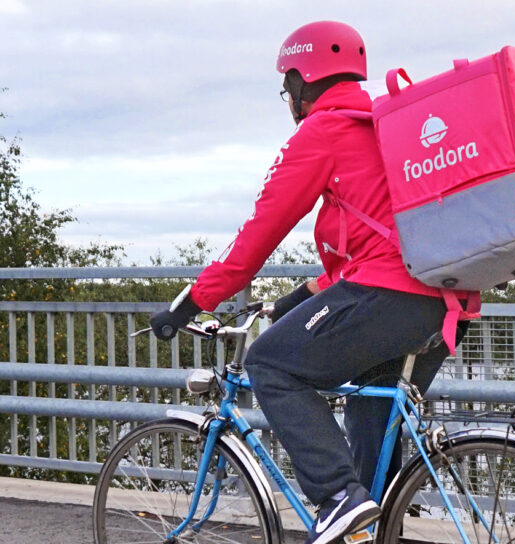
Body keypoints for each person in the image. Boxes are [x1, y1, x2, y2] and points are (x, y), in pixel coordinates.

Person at [150, 20, 473, 544]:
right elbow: (375, 240)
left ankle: (336, 497)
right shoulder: (385, 127)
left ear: (303, 79)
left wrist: (189, 303)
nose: (289, 98)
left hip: (386, 297)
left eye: (287, 87)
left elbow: (257, 237)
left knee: (271, 364)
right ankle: (365, 515)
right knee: (371, 450)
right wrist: (296, 299)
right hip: (443, 302)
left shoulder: (323, 132)